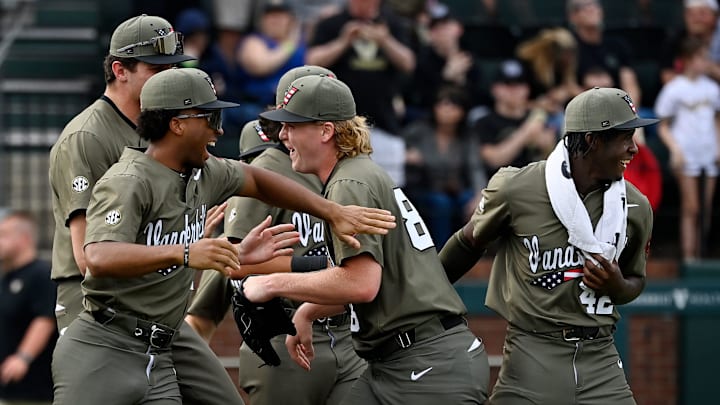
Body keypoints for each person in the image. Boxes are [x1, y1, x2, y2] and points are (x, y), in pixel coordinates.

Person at [50, 67, 395, 405]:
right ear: (178, 124)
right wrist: (184, 253)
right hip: (105, 342)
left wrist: (332, 212)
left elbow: (257, 181)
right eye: (210, 119)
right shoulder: (129, 180)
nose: (218, 131)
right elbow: (96, 256)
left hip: (162, 343)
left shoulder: (204, 170)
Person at [241, 74, 489, 404]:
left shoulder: (350, 183)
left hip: (426, 366)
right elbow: (370, 281)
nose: (283, 135)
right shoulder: (357, 173)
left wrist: (272, 283)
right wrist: (307, 312)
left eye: (292, 125)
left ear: (326, 131)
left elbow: (361, 283)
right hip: (402, 361)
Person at [48, 14, 255, 405]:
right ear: (118, 70)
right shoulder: (87, 136)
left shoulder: (164, 125)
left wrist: (192, 235)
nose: (168, 76)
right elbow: (88, 257)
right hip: (96, 306)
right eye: (156, 68)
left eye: (174, 67)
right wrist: (188, 249)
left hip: (158, 306)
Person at [439, 87, 656, 404]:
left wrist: (617, 285)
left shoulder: (635, 206)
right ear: (592, 140)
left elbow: (635, 280)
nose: (634, 149)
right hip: (533, 354)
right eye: (625, 137)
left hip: (601, 359)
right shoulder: (519, 187)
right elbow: (469, 242)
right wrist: (428, 297)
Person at [306, 0, 416, 186]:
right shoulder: (332, 23)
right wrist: (343, 41)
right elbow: (312, 61)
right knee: (341, 186)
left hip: (384, 121)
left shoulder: (392, 23)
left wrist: (384, 40)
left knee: (391, 190)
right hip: (339, 123)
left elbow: (409, 63)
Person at [655, 36, 720, 261]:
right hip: (685, 152)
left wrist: (718, 147)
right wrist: (675, 149)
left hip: (708, 151)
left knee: (706, 208)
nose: (705, 62)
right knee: (690, 207)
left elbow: (717, 120)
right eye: (700, 57)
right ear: (688, 59)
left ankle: (702, 254)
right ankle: (689, 257)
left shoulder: (712, 88)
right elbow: (663, 125)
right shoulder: (674, 88)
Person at [402, 85, 486, 247]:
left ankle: (468, 254)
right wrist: (408, 156)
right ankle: (441, 252)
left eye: (453, 105)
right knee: (440, 203)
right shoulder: (418, 131)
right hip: (424, 187)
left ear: (463, 110)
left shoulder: (466, 136)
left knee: (471, 201)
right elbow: (398, 152)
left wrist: (479, 195)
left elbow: (475, 168)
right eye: (442, 104)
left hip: (457, 189)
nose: (446, 109)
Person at [0, 211, 57, 405]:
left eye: (4, 235)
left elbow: (45, 319)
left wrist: (23, 357)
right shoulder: (7, 277)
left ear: (24, 239)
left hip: (35, 389)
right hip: (10, 387)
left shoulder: (40, 274)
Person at [472, 59, 557, 179]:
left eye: (519, 85)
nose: (514, 91)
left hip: (534, 186)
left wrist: (547, 146)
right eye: (507, 85)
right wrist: (526, 133)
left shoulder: (539, 117)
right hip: (498, 188)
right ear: (495, 89)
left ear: (527, 89)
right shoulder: (484, 122)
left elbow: (553, 164)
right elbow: (494, 160)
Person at [235, 0, 306, 124]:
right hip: (258, 108)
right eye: (270, 15)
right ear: (262, 20)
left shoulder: (301, 45)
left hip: (294, 109)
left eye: (280, 16)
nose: (275, 20)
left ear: (291, 20)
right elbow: (259, 66)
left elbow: (316, 62)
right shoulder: (254, 41)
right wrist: (289, 45)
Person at [567, 0, 642, 105]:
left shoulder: (617, 45)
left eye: (594, 5)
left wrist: (630, 110)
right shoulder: (569, 48)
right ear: (572, 16)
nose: (590, 9)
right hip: (582, 109)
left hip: (618, 107)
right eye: (582, 6)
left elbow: (630, 86)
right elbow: (568, 85)